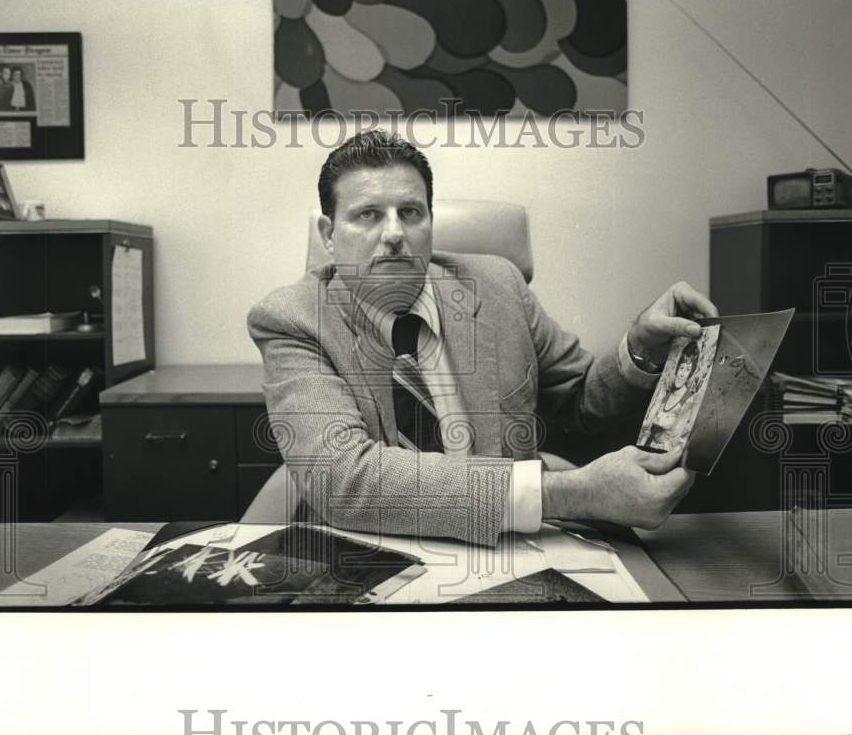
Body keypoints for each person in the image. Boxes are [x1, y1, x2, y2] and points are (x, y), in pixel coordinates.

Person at [247, 130, 719, 547]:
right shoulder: (292, 318)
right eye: (368, 215)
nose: (394, 233)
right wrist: (574, 492)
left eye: (409, 212)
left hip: (508, 549)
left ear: (429, 221)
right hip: (368, 558)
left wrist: (640, 346)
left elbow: (580, 398)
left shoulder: (499, 286)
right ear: (330, 235)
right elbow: (348, 481)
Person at [641, 340, 701, 452]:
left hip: (666, 452)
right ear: (677, 369)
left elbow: (679, 437)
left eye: (688, 369)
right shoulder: (666, 393)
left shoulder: (689, 399)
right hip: (647, 445)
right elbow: (648, 425)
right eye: (681, 368)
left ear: (691, 373)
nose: (682, 374)